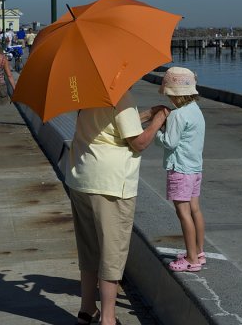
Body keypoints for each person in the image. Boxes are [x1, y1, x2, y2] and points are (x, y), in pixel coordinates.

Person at [65, 89, 168, 325]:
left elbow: (110, 124)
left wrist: (145, 115)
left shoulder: (87, 95)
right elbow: (138, 142)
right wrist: (158, 121)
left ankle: (87, 310)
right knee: (112, 253)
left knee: (89, 248)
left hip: (81, 179)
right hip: (110, 185)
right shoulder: (121, 98)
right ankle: (109, 319)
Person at [155, 67, 206, 272]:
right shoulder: (195, 110)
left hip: (180, 169)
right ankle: (199, 252)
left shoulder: (177, 115)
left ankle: (191, 259)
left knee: (182, 212)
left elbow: (169, 142)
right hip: (195, 168)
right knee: (195, 210)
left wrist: (159, 129)